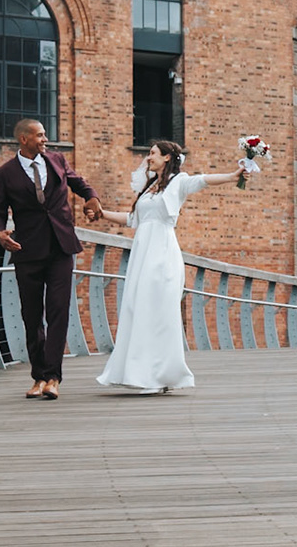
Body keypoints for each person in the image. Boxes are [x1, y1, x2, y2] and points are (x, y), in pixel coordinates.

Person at [90, 140, 243, 393]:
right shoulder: (149, 187)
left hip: (162, 252)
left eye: (152, 154)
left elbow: (204, 180)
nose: (148, 158)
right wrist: (102, 213)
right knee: (137, 307)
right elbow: (132, 220)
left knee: (158, 310)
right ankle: (140, 373)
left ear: (167, 157)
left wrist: (233, 175)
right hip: (142, 252)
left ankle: (160, 377)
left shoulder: (179, 182)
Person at [0, 119, 103, 400]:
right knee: (31, 315)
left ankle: (53, 377)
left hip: (60, 247)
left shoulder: (57, 160)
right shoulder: (4, 173)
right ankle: (38, 377)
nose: (45, 139)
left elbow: (80, 184)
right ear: (24, 139)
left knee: (58, 311)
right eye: (40, 135)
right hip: (26, 250)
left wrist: (92, 198)